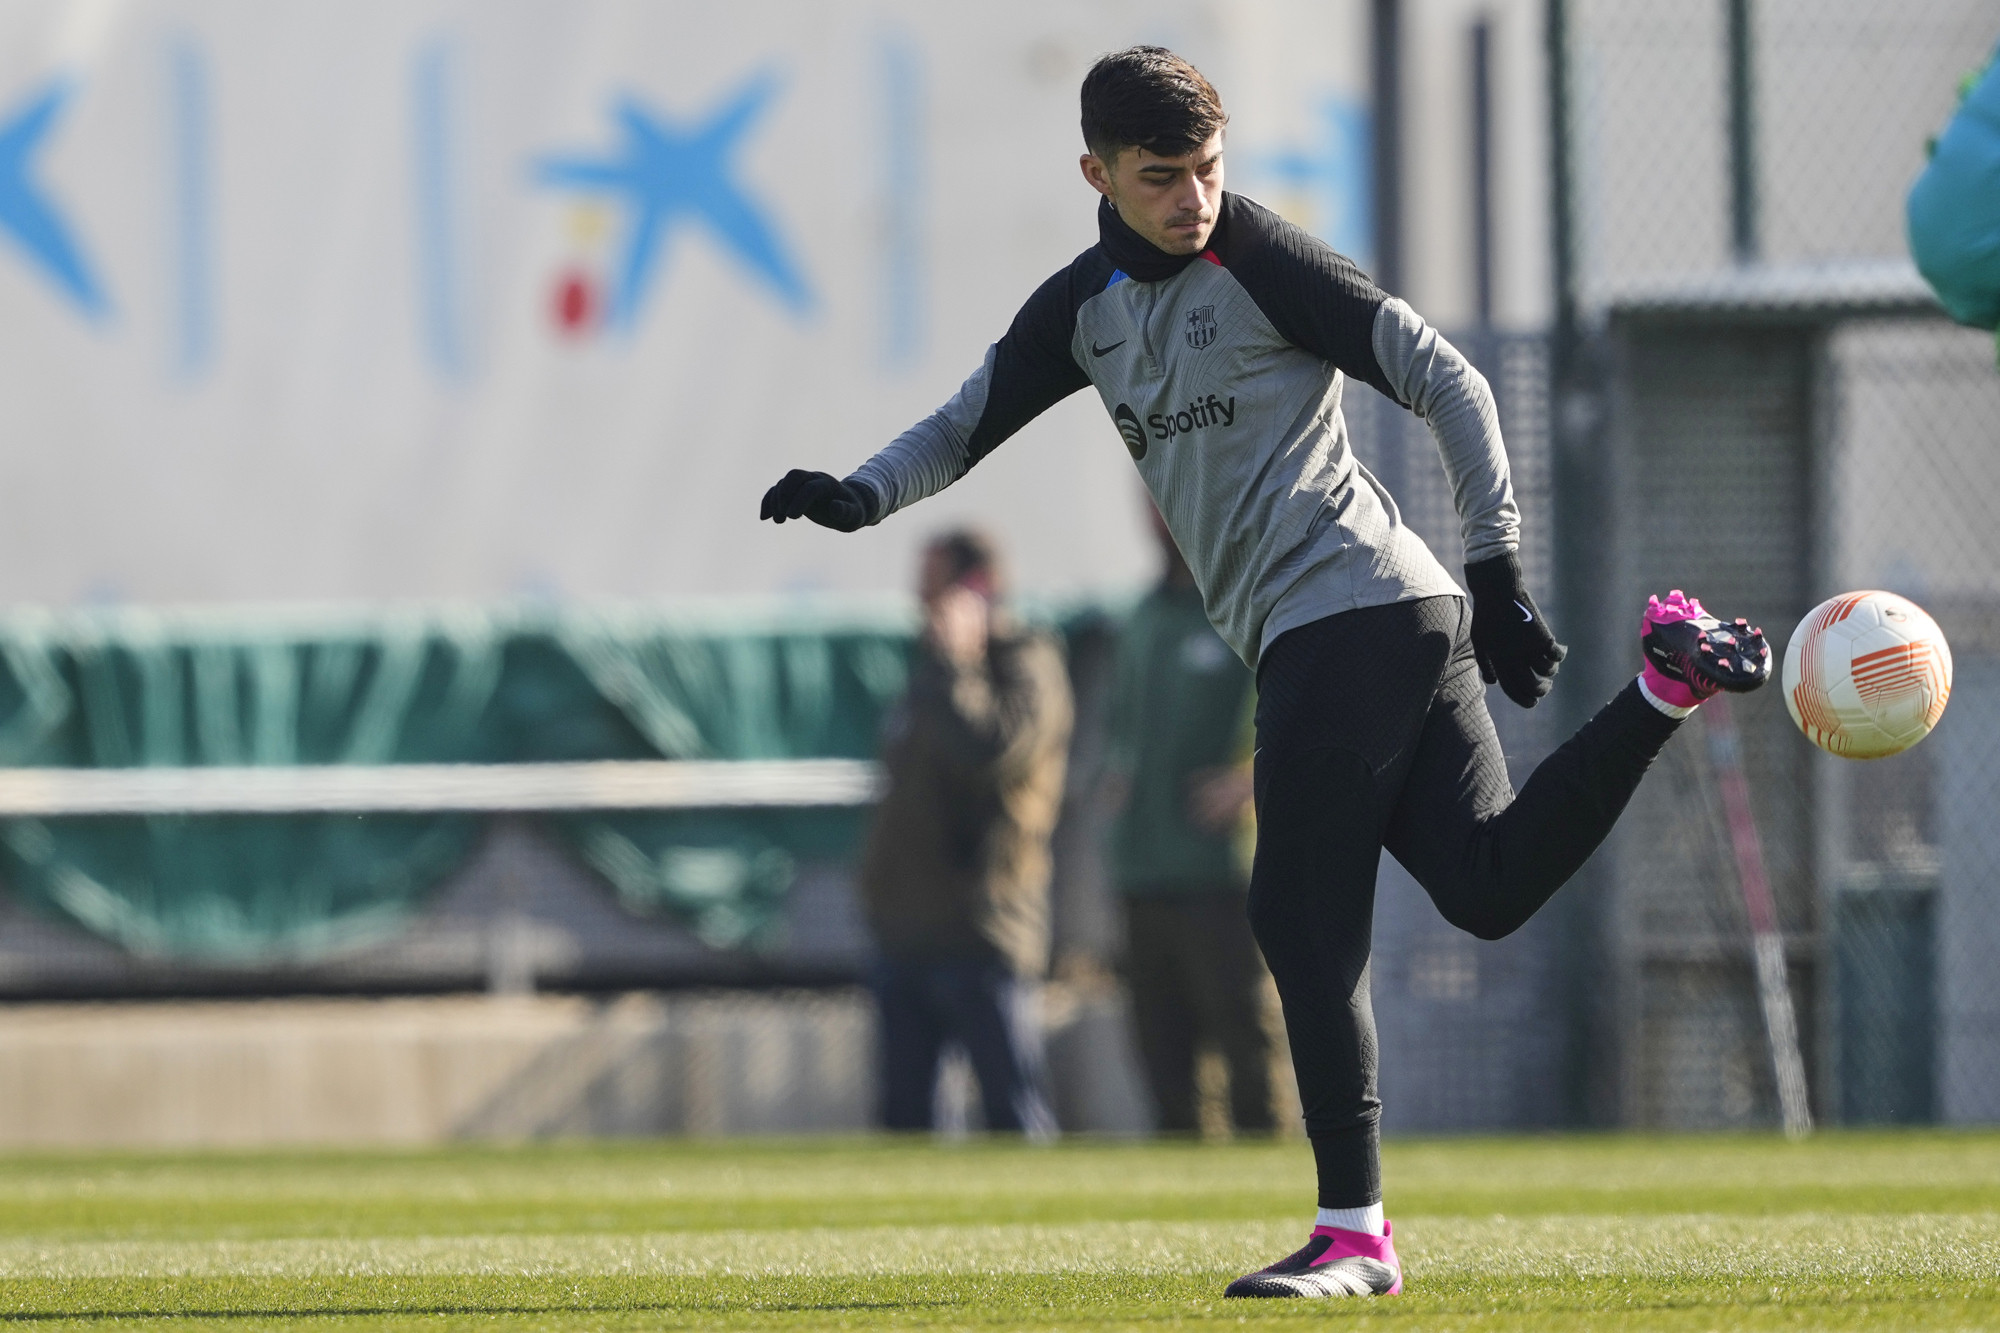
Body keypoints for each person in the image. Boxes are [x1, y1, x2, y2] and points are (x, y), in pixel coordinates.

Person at [762, 47, 1768, 1299]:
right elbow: (963, 425)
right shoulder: (1080, 309)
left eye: (1208, 168)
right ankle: (1664, 688)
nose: (1194, 197)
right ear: (1096, 174)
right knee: (1485, 882)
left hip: (1347, 612)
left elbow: (1444, 376)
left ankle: (1354, 1234)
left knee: (1295, 915)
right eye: (1162, 176)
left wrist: (1500, 563)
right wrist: (861, 496)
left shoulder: (1261, 258)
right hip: (1383, 616)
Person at [854, 529, 1072, 1137]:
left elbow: (992, 750)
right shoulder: (925, 676)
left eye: (936, 589)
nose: (923, 605)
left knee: (1013, 1112)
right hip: (906, 930)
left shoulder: (1025, 663)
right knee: (904, 1122)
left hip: (983, 930)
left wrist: (958, 664)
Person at [1105, 503, 1274, 1137]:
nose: (1157, 512)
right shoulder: (1144, 616)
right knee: (1161, 1055)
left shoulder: (1244, 607)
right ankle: (1183, 1215)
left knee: (1247, 1041)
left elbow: (1303, 709)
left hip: (1219, 869)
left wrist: (1251, 781)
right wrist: (1116, 786)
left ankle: (1279, 1198)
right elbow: (1120, 729)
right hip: (1143, 866)